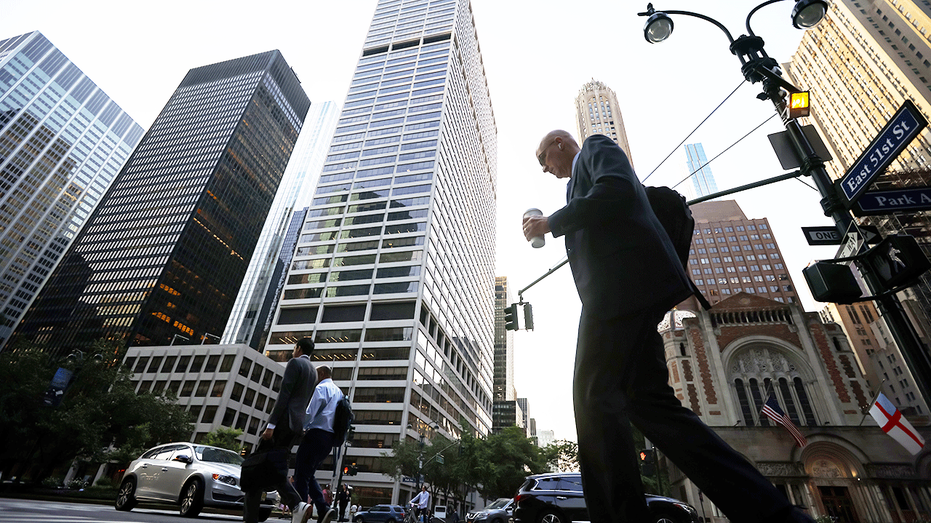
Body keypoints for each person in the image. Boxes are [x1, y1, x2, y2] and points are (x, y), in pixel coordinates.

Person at [522, 130, 816, 523]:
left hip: (620, 293)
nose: (545, 169)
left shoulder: (595, 148)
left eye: (543, 158)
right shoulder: (574, 185)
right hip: (628, 297)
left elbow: (618, 192)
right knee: (651, 407)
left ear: (560, 143)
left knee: (593, 397)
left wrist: (550, 223)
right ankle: (775, 515)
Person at [243, 338, 319, 523]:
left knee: (257, 464)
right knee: (272, 466)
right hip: (296, 426)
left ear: (298, 349)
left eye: (294, 348)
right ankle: (295, 505)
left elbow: (284, 395)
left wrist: (271, 425)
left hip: (283, 422)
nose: (293, 351)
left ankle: (295, 504)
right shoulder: (314, 372)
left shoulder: (295, 363)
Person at [294, 365, 342, 523]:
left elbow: (310, 412)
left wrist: (300, 427)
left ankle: (301, 510)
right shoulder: (339, 392)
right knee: (308, 473)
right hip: (329, 440)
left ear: (321, 374)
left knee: (301, 474)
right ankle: (323, 509)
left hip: (316, 434)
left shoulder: (321, 388)